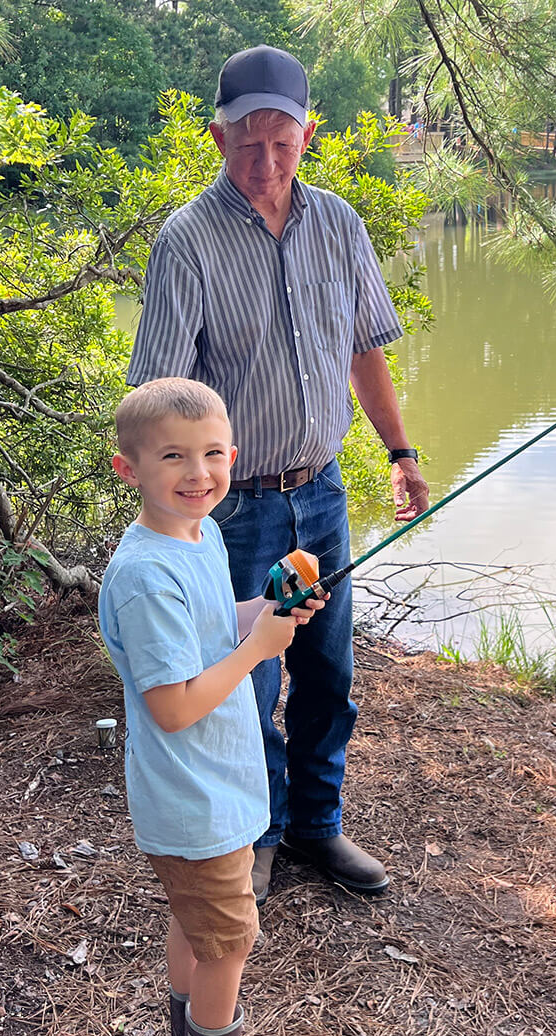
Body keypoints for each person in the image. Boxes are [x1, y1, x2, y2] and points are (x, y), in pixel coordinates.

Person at [127, 44, 430, 906]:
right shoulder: (186, 241)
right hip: (236, 509)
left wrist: (401, 455)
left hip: (321, 493)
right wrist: (174, 509)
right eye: (248, 144)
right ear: (218, 138)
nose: (265, 164)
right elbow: (161, 396)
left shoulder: (339, 224)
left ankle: (315, 828)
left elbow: (364, 350)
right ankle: (253, 834)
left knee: (328, 670)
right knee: (246, 681)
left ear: (308, 136)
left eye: (284, 145)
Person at [99, 377, 325, 1036]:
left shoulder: (200, 534)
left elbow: (210, 629)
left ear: (232, 455)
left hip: (218, 781)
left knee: (198, 928)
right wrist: (259, 650)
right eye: (173, 457)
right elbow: (174, 705)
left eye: (211, 455)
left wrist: (265, 609)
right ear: (130, 469)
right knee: (230, 938)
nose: (198, 475)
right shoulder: (143, 574)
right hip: (190, 793)